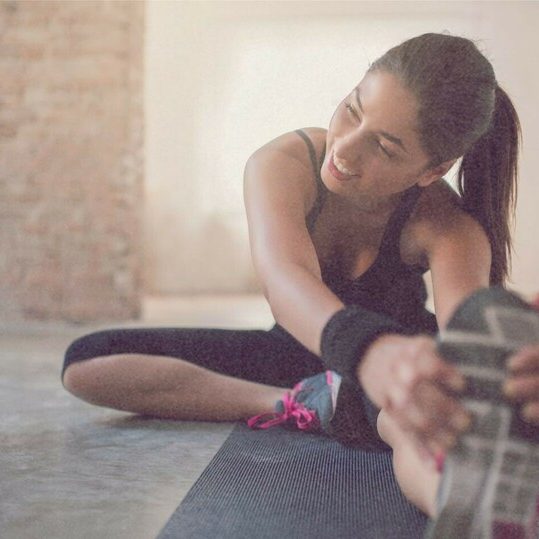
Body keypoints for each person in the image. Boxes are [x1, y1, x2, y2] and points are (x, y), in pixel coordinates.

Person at [61, 33, 539, 536]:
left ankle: (486, 514)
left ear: (432, 170)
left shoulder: (450, 227)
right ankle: (302, 403)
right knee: (87, 364)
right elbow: (285, 279)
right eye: (353, 110)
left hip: (396, 372)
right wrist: (365, 355)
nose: (346, 149)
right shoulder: (283, 163)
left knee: (406, 419)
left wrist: (482, 376)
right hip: (298, 358)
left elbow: (465, 337)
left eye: (384, 146)